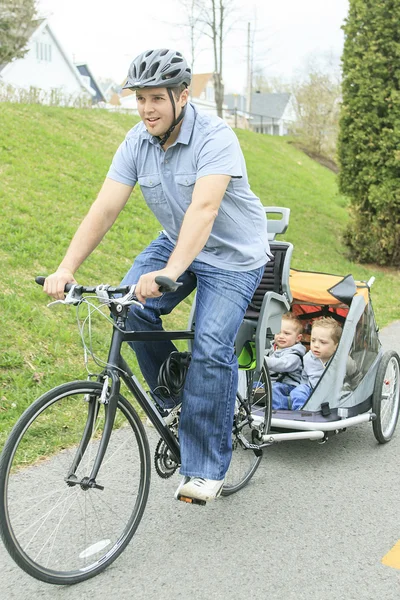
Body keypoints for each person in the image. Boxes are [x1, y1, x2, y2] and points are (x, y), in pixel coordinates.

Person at [43, 48, 271, 503]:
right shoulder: (136, 141)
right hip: (175, 240)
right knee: (127, 310)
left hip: (233, 255)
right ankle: (180, 402)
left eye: (156, 98)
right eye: (140, 98)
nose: (146, 108)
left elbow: (204, 211)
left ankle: (206, 467)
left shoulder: (216, 138)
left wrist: (169, 272)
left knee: (210, 344)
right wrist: (67, 266)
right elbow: (105, 207)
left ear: (182, 97)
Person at [274, 316, 342, 411]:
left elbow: (354, 376)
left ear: (336, 346)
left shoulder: (342, 360)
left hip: (332, 393)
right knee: (298, 391)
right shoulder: (307, 358)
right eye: (313, 340)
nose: (316, 345)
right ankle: (301, 411)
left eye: (322, 342)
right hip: (311, 391)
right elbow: (304, 378)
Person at [267, 313, 306, 410]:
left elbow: (282, 365)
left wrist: (262, 360)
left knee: (274, 389)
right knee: (255, 386)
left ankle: (282, 407)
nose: (281, 336)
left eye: (286, 333)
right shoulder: (272, 349)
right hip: (273, 384)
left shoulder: (295, 356)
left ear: (298, 338)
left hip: (289, 387)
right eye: (278, 332)